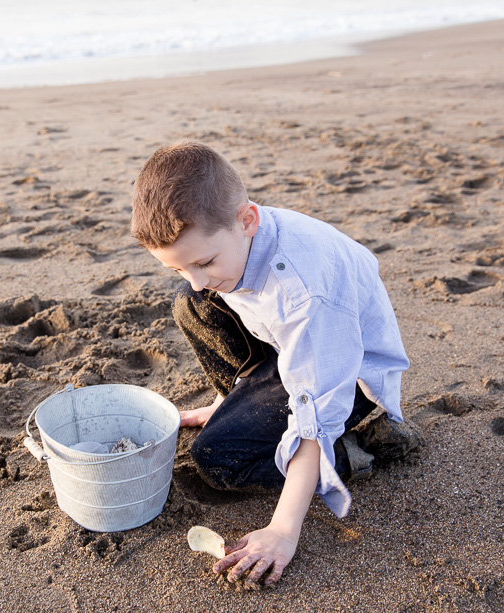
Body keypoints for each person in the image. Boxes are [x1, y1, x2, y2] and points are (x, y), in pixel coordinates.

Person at [130, 140, 419, 587]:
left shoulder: (303, 296)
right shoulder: (235, 238)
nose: (200, 278)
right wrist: (228, 399)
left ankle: (361, 451)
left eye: (205, 261)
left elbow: (315, 414)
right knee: (193, 303)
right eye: (180, 267)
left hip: (347, 376)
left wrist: (284, 530)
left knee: (218, 457)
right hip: (287, 344)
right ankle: (234, 396)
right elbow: (206, 285)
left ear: (248, 220)